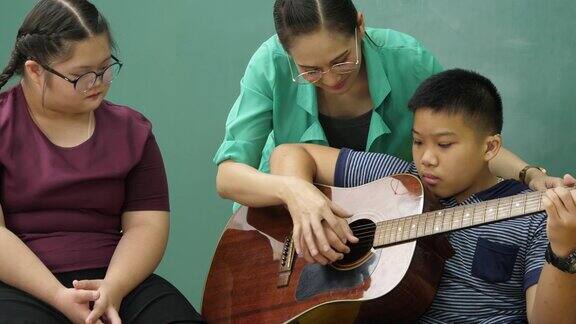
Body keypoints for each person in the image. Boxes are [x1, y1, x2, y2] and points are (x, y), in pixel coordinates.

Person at [215, 0, 566, 264]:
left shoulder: (408, 59)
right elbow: (228, 176)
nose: (332, 78)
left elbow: (466, 139)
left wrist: (529, 174)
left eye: (341, 60)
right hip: (280, 229)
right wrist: (296, 192)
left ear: (360, 26)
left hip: (381, 233)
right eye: (310, 71)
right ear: (286, 52)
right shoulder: (269, 65)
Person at [267, 69, 576, 322]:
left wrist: (564, 250)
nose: (427, 158)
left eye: (444, 145)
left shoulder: (538, 218)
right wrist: (304, 203)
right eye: (417, 142)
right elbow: (290, 154)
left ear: (490, 148)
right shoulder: (396, 184)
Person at [0, 1, 204, 323]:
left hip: (115, 280)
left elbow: (146, 226)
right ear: (36, 71)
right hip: (20, 285)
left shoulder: (132, 131)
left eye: (106, 68)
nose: (98, 82)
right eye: (81, 76)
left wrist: (115, 286)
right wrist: (56, 295)